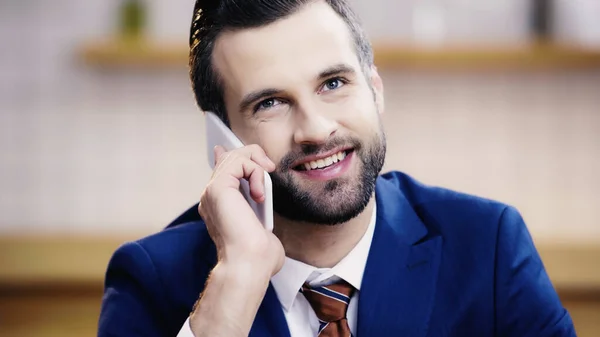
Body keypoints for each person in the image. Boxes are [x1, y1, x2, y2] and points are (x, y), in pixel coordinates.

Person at [97, 0, 577, 336]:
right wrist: (237, 282)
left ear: (375, 88)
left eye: (332, 83)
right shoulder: (152, 280)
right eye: (270, 102)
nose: (316, 128)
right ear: (221, 139)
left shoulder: (488, 245)